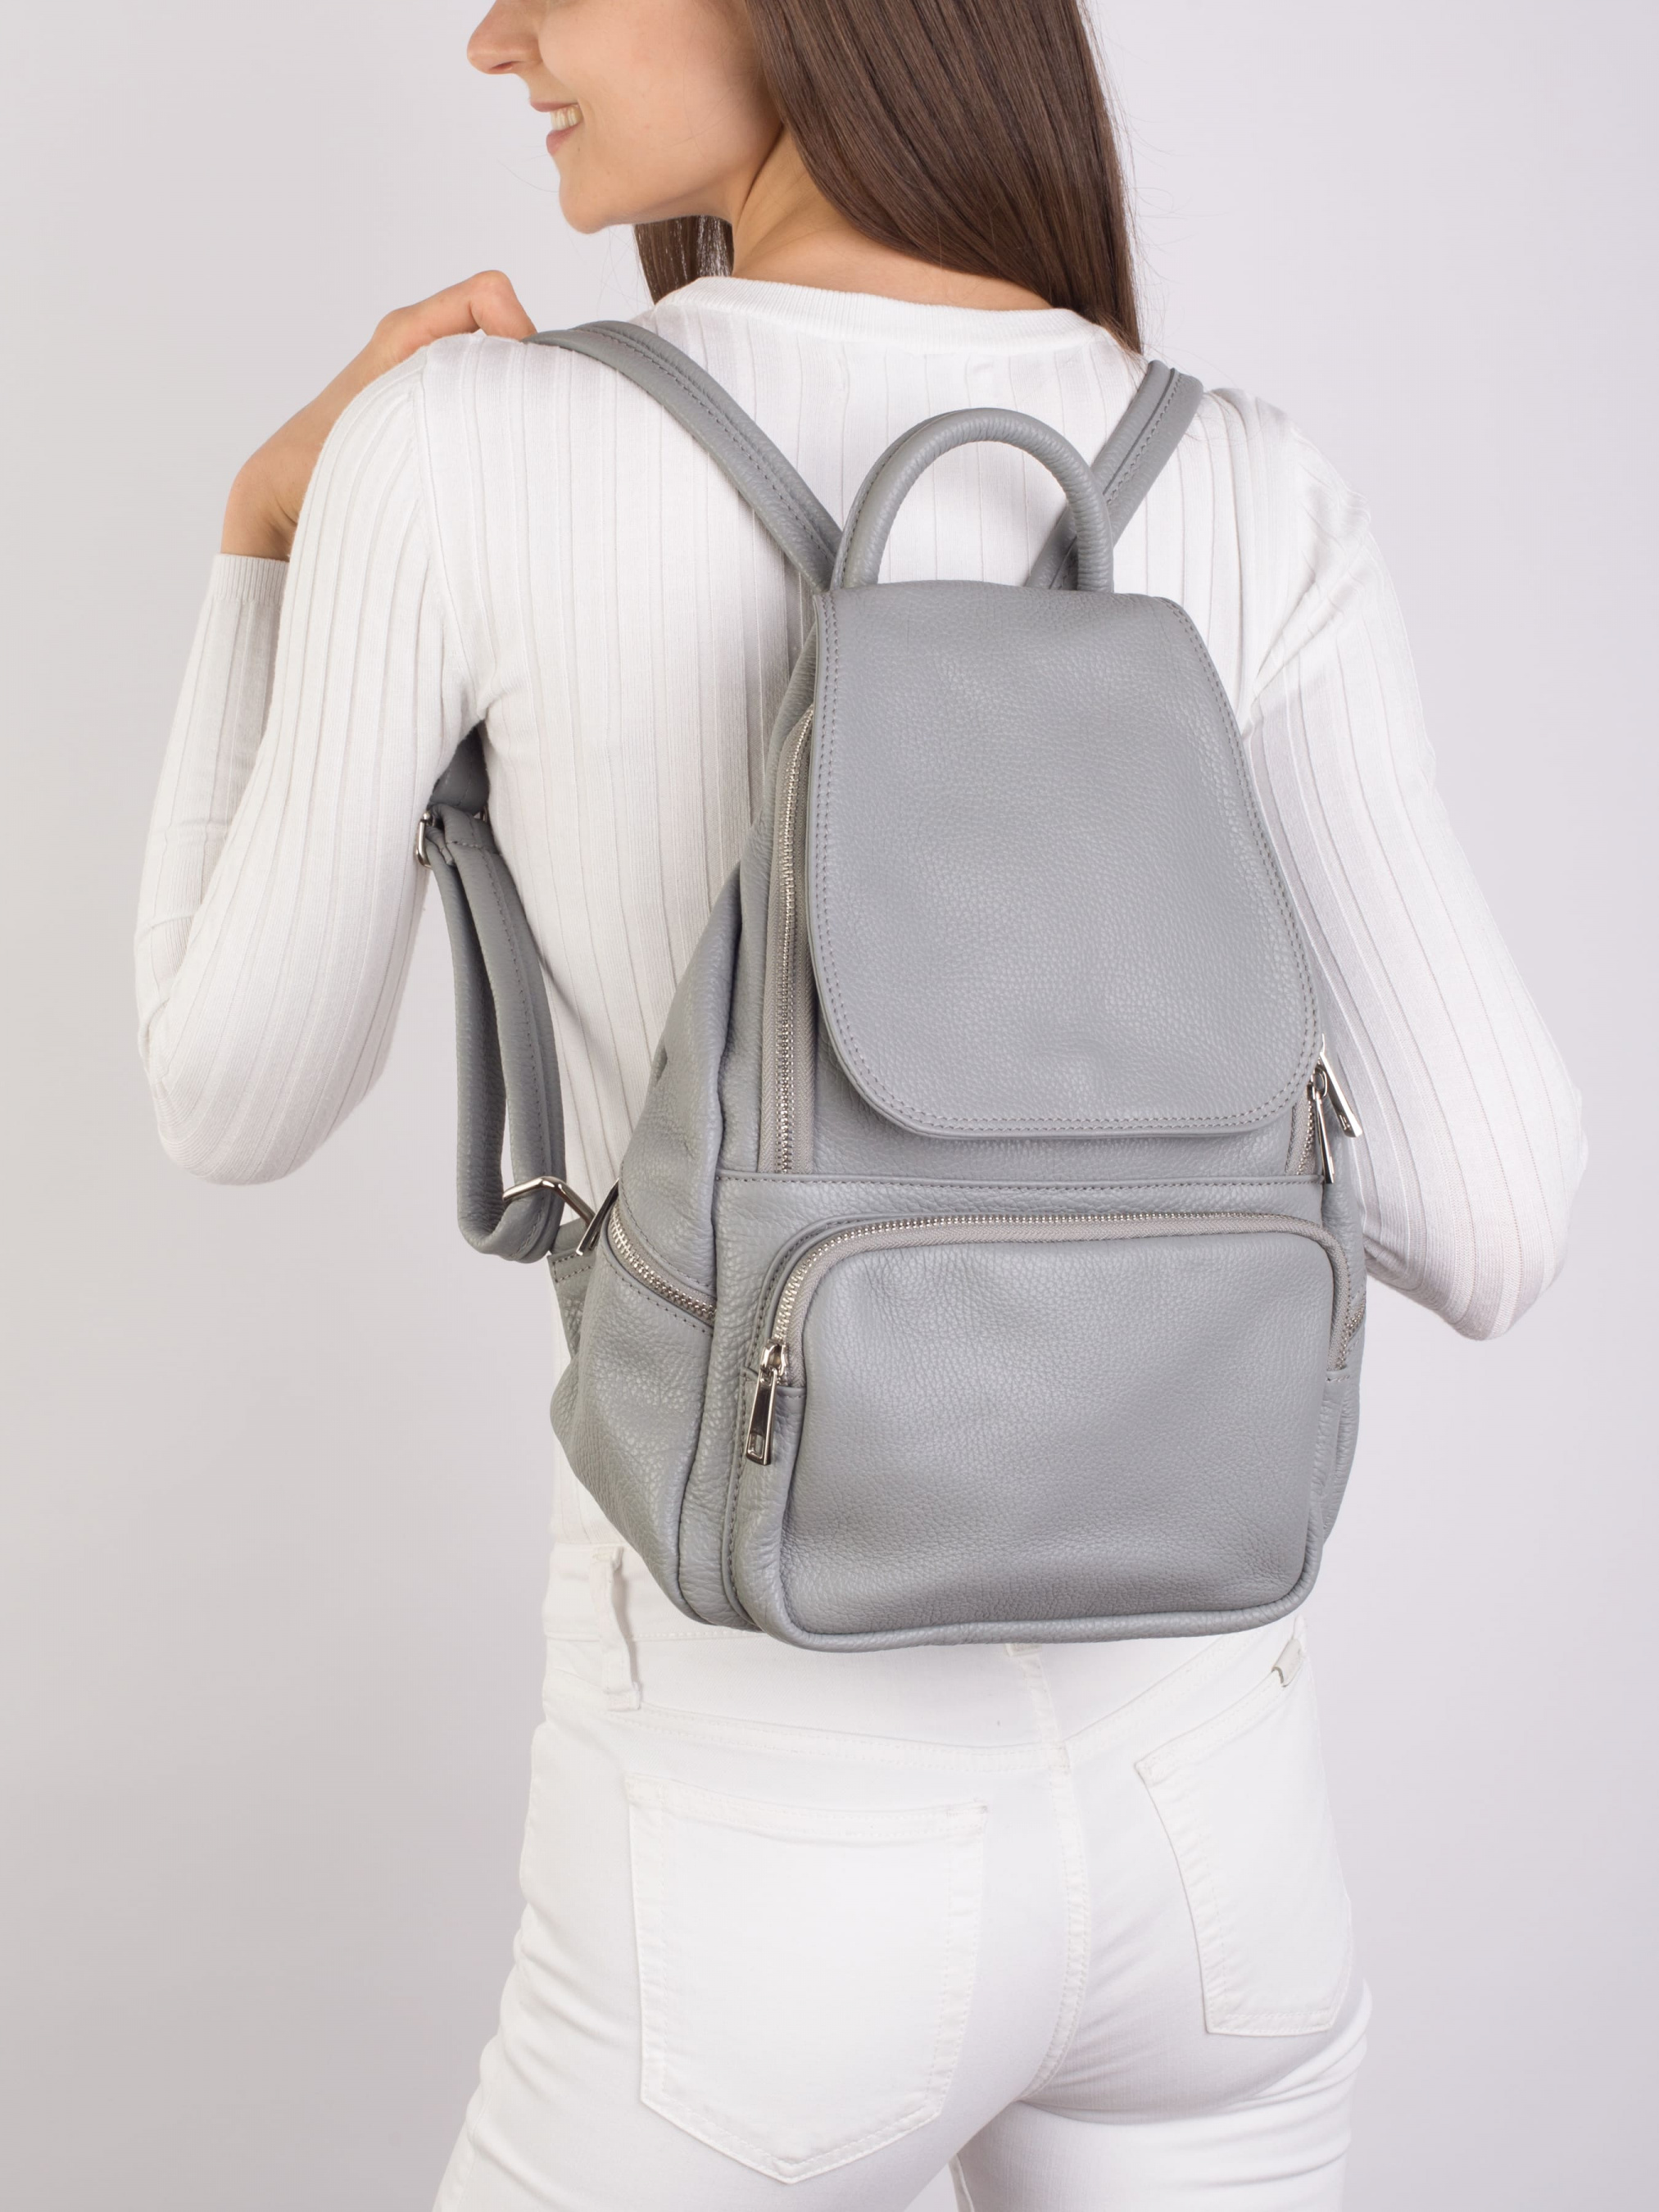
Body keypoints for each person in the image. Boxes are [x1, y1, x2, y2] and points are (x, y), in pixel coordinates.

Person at [134, 2, 1584, 2205]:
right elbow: (1489, 1210)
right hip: (1217, 1851)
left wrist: (264, 528)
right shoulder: (1242, 480)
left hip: (749, 1876)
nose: (494, 35)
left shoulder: (465, 447)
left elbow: (229, 1094)